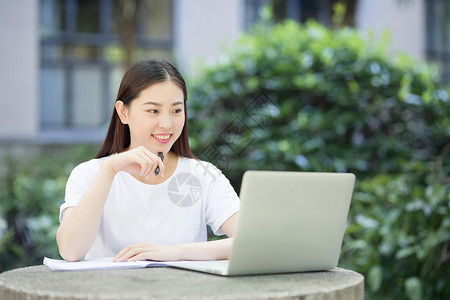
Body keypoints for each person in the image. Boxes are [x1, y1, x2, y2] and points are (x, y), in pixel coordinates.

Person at [56, 59, 240, 262]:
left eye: (176, 111)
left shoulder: (204, 175)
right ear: (123, 112)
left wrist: (176, 253)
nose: (167, 123)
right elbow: (70, 251)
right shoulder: (89, 174)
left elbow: (251, 241)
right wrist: (110, 169)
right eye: (153, 111)